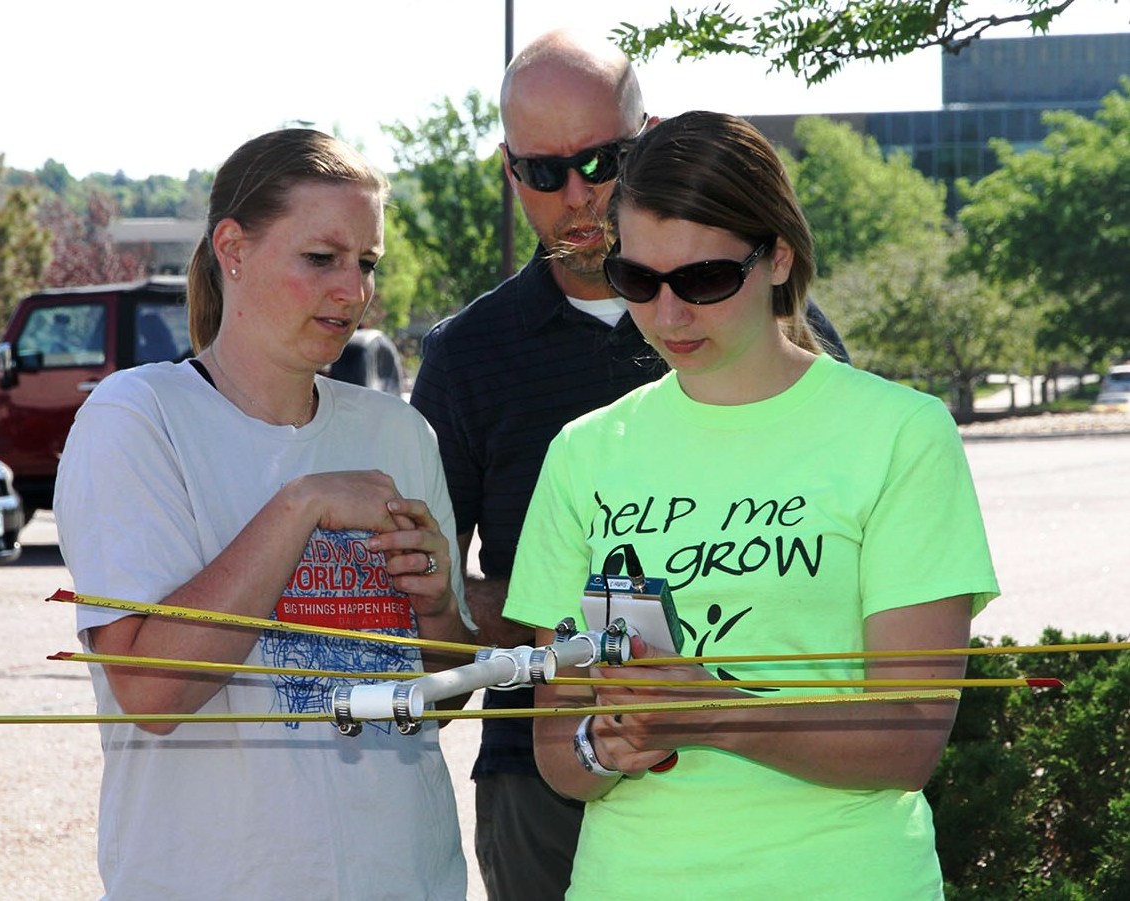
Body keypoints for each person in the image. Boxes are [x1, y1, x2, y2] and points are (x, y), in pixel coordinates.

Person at [502, 110, 1001, 899]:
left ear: (778, 257)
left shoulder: (901, 433)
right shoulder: (583, 452)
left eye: (703, 279)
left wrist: (712, 712)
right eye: (638, 280)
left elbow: (909, 737)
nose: (668, 314)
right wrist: (602, 745)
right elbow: (557, 750)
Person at [408, 29, 848, 901]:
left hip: (768, 761)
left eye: (602, 160)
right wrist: (544, 609)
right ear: (508, 171)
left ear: (649, 138)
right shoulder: (466, 355)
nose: (578, 195)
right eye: (544, 172)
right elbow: (435, 623)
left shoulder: (773, 317)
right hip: (542, 776)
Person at [54, 128, 473, 900]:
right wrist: (301, 505)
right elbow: (152, 694)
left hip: (409, 879)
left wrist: (441, 607)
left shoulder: (400, 433)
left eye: (366, 262)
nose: (354, 290)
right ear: (232, 249)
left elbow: (437, 704)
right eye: (321, 257)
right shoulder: (138, 417)